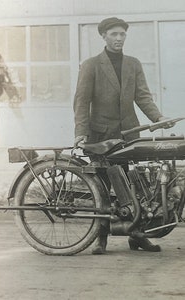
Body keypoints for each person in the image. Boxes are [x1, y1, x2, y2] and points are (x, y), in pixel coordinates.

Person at [73, 17, 169, 254]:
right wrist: (81, 133)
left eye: (122, 35)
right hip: (101, 136)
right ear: (103, 36)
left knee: (135, 186)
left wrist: (157, 118)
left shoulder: (133, 64)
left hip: (129, 135)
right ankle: (100, 238)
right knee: (103, 188)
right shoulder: (91, 65)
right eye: (113, 34)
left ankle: (137, 235)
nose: (118, 38)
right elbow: (82, 101)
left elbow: (143, 96)